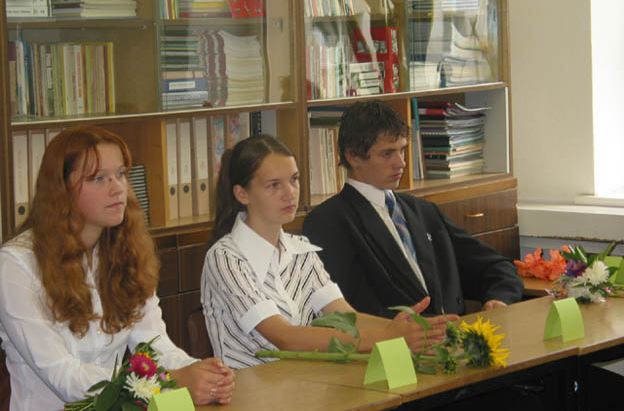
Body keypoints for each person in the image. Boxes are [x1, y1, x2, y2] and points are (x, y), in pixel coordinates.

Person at [0, 126, 235, 411]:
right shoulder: (16, 265)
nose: (118, 188)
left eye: (121, 174)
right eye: (99, 178)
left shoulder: (125, 251)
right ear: (61, 190)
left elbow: (153, 344)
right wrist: (171, 380)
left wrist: (200, 372)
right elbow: (62, 374)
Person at [201, 134, 455, 370]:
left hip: (307, 384)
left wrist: (413, 329)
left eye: (294, 179)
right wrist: (388, 336)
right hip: (251, 392)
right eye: (273, 185)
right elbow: (285, 338)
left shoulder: (301, 250)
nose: (290, 193)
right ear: (242, 194)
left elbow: (346, 316)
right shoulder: (225, 258)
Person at [302, 100, 523, 318]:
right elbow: (350, 308)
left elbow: (495, 267)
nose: (401, 163)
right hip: (397, 337)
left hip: (454, 333)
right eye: (387, 154)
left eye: (403, 150)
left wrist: (498, 298)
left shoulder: (423, 211)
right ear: (353, 156)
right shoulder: (329, 222)